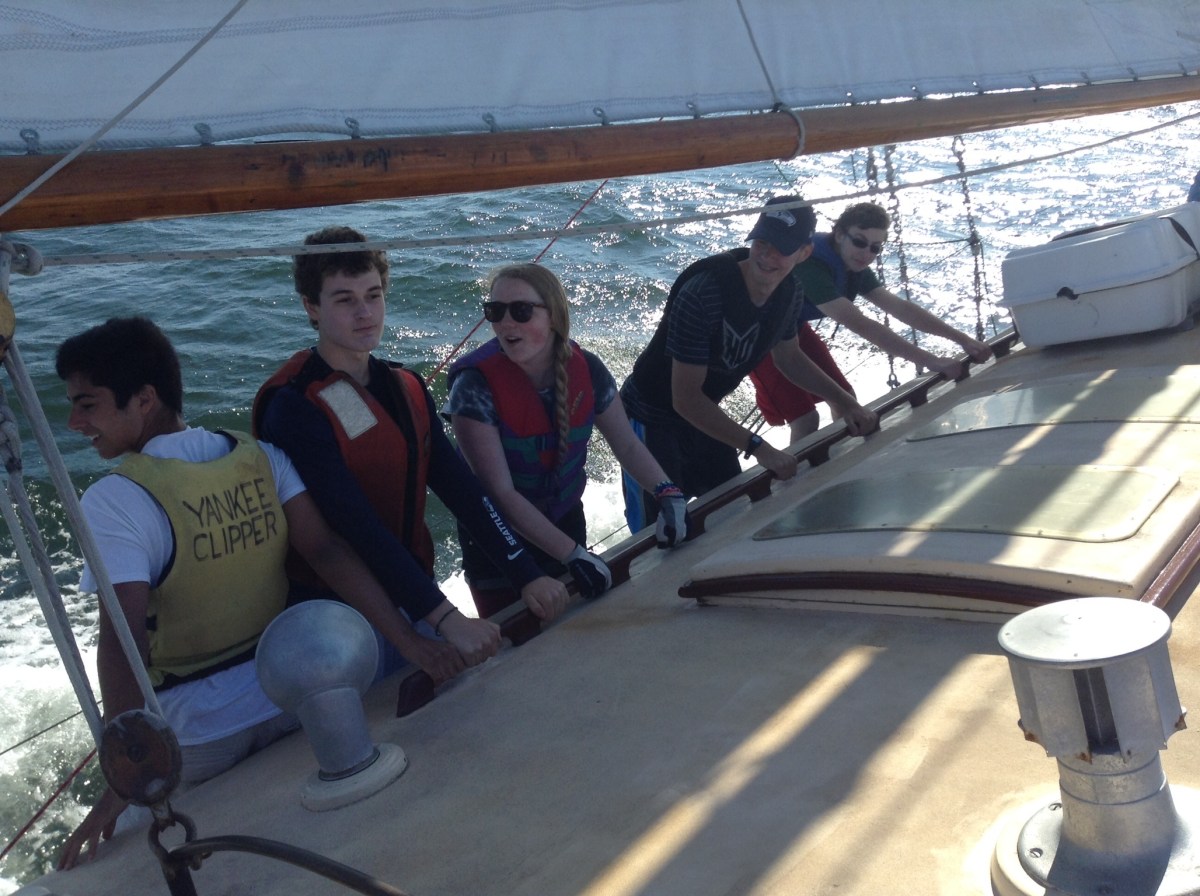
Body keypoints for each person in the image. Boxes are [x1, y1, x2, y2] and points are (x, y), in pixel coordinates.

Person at [55, 317, 462, 869]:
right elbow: (328, 552)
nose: (75, 422)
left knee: (119, 857)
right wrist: (413, 644)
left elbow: (124, 643)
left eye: (88, 405)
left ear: (144, 399)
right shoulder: (260, 456)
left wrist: (123, 777)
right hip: (288, 695)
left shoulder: (114, 499)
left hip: (198, 734)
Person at [253, 226, 569, 635]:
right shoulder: (294, 406)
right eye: (345, 300)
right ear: (311, 306)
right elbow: (355, 526)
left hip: (414, 595)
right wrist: (444, 617)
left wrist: (525, 573)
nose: (365, 313)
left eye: (373, 295)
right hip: (335, 617)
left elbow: (463, 491)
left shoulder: (407, 388)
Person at [619, 195, 878, 531]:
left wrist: (847, 403)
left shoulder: (789, 293)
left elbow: (789, 358)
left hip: (703, 414)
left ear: (804, 253)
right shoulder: (704, 292)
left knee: (734, 513)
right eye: (762, 242)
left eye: (782, 247)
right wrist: (759, 448)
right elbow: (685, 398)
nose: (767, 255)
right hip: (649, 418)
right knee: (661, 531)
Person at [444, 263, 687, 617]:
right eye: (495, 311)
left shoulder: (588, 370)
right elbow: (501, 493)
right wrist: (572, 555)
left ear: (554, 316)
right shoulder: (473, 387)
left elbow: (627, 445)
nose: (506, 323)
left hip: (565, 520)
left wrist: (667, 493)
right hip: (499, 543)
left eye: (521, 311)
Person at [750, 201, 993, 441]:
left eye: (875, 248)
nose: (866, 253)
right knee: (805, 419)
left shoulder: (852, 265)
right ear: (839, 234)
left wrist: (963, 339)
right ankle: (790, 469)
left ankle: (843, 455)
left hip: (793, 328)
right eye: (859, 242)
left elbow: (900, 308)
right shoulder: (812, 266)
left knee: (846, 399)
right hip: (760, 334)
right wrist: (931, 361)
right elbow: (860, 324)